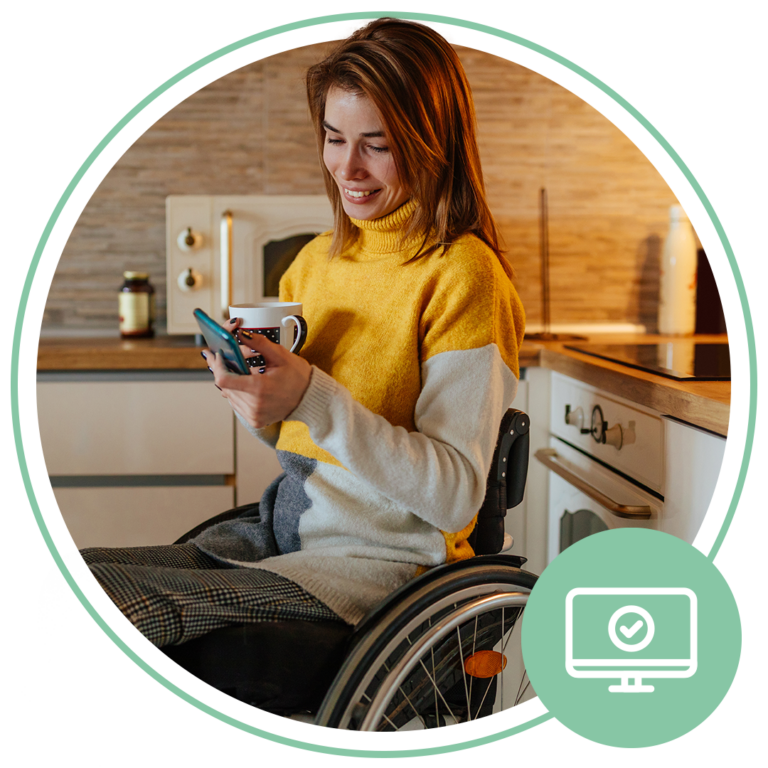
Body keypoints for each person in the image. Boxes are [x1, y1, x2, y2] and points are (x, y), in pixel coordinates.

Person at [39, 18, 525, 655]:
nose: (346, 167)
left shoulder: (463, 276)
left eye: (377, 144)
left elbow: (456, 495)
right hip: (287, 535)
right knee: (65, 581)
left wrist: (310, 398)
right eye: (333, 138)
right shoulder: (315, 264)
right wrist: (257, 400)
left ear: (435, 141)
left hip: (377, 573)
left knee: (108, 613)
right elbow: (298, 433)